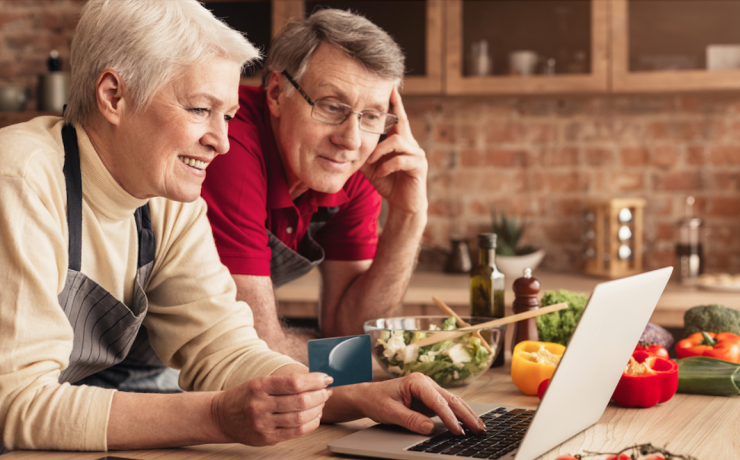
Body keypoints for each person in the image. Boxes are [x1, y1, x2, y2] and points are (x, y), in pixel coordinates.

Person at [0, 0, 483, 454]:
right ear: (114, 95)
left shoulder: (165, 198)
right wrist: (216, 415)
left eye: (227, 115)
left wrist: (356, 397)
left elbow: (224, 349)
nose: (221, 142)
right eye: (199, 109)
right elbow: (15, 404)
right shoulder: (20, 180)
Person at [200, 9, 428, 363]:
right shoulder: (231, 142)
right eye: (332, 107)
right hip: (123, 371)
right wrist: (352, 361)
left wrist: (409, 215)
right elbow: (255, 350)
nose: (351, 140)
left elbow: (352, 329)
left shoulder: (354, 166)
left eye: (371, 116)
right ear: (276, 92)